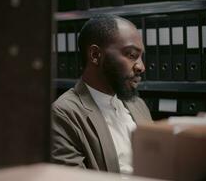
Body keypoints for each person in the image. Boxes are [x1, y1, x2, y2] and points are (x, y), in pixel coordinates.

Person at [51, 14, 152, 174]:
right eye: (132, 55)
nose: (141, 67)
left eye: (141, 57)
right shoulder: (63, 114)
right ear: (95, 55)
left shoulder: (138, 105)